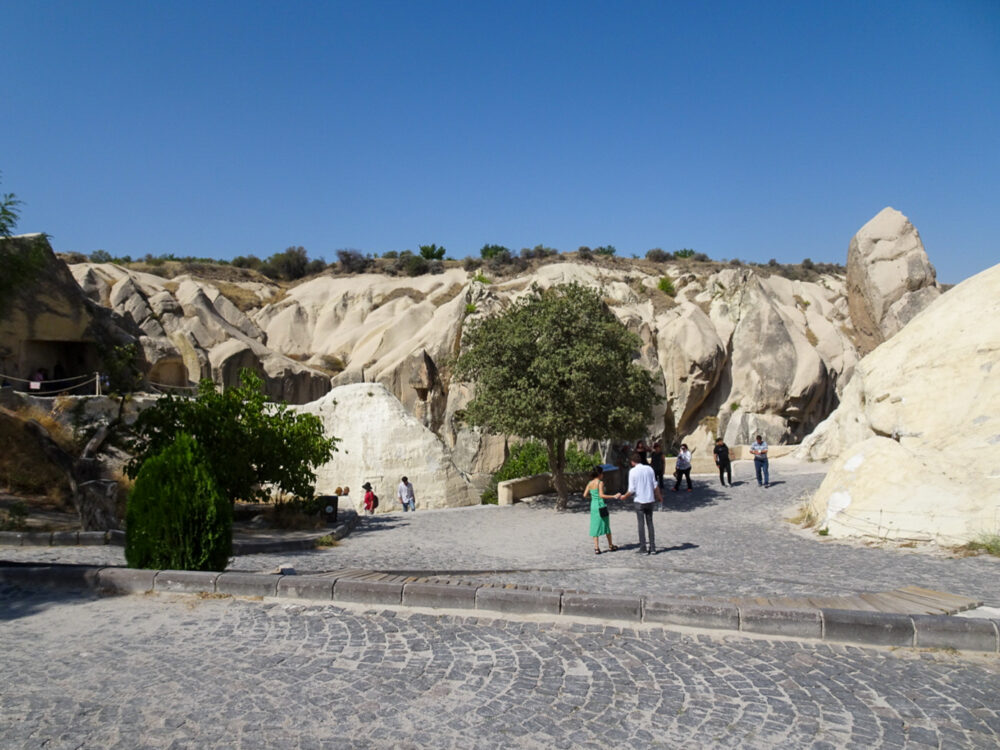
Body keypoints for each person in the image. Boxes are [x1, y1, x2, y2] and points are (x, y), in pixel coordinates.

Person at [617, 451, 663, 554]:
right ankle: (653, 547)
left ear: (632, 462)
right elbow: (655, 485)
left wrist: (624, 496)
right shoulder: (649, 469)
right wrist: (659, 496)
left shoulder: (633, 471)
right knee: (650, 523)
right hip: (650, 499)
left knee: (641, 524)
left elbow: (631, 489)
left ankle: (643, 547)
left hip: (639, 500)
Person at [583, 466, 618, 554]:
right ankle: (610, 545)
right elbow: (602, 495)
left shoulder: (590, 483)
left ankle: (596, 547)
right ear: (599, 474)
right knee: (606, 525)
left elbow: (584, 495)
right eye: (602, 473)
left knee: (594, 525)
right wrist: (613, 496)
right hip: (601, 505)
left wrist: (592, 497)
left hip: (593, 505)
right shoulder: (600, 483)